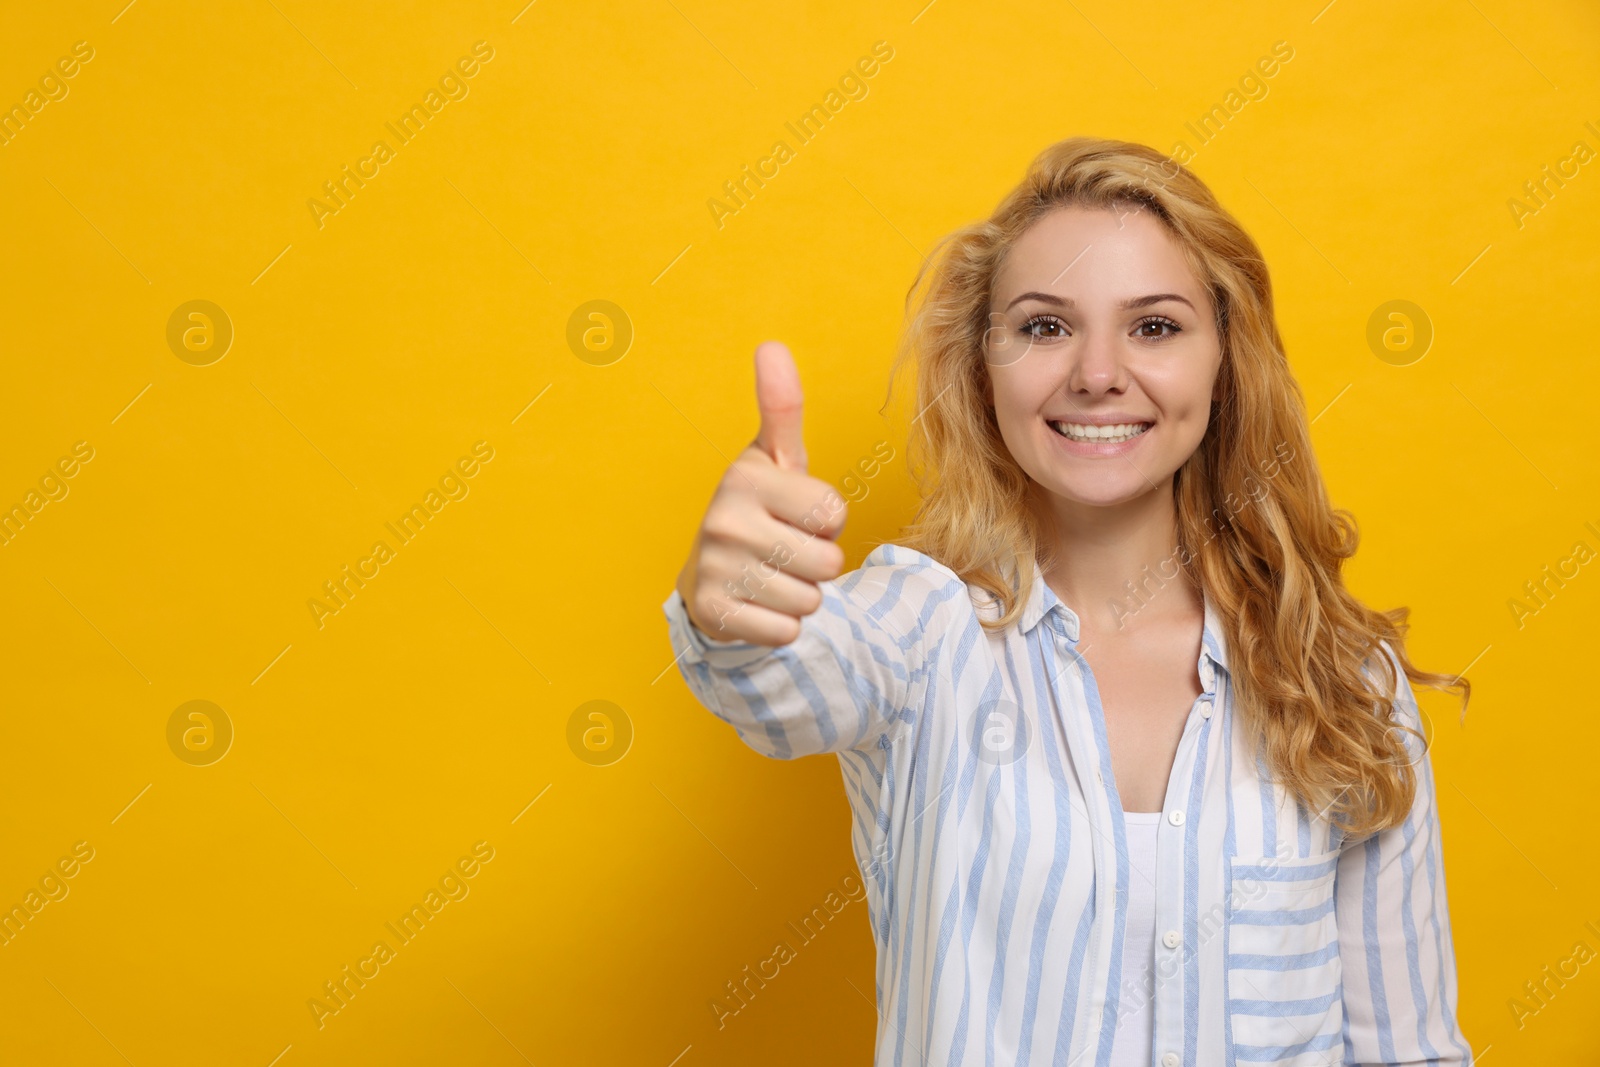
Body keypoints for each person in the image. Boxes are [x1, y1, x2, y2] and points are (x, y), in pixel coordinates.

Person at [660, 136, 1473, 1066]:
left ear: (1224, 360)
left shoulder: (1343, 680)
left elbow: (1409, 1050)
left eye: (1155, 327)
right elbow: (784, 683)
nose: (1096, 372)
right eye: (1045, 327)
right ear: (983, 365)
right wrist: (730, 610)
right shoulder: (923, 630)